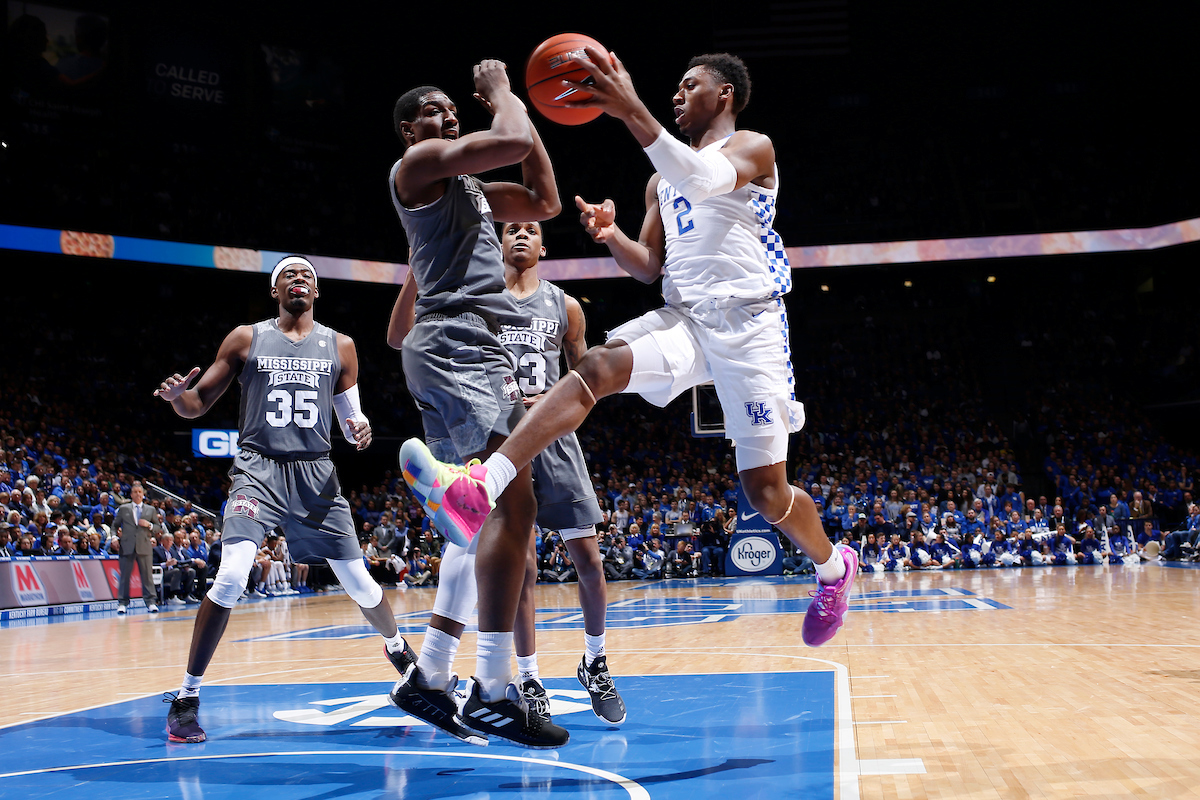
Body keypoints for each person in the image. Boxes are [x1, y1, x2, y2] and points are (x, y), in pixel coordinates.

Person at [399, 51, 856, 651]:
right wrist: (611, 235)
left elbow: (702, 179)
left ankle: (832, 567)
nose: (677, 95)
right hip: (687, 321)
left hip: (751, 330)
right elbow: (649, 268)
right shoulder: (659, 181)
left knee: (766, 493)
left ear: (724, 96)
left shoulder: (754, 147)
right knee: (596, 365)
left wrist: (626, 106)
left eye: (689, 86)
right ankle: (480, 486)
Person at [153, 254, 417, 744]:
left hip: (315, 473)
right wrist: (178, 400)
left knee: (361, 584)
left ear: (317, 292)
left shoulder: (341, 345)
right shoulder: (245, 338)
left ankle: (397, 646)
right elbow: (197, 403)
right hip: (258, 467)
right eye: (290, 276)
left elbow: (352, 422)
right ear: (276, 291)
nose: (300, 280)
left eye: (308, 277)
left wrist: (360, 432)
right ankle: (187, 696)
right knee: (231, 575)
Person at [383, 62, 568, 749]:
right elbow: (512, 142)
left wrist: (533, 111)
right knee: (506, 503)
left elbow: (545, 200)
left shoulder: (476, 192)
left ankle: (434, 676)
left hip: (476, 350)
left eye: (452, 107)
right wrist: (505, 96)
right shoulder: (420, 164)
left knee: (487, 511)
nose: (448, 114)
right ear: (411, 128)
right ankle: (491, 688)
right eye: (434, 109)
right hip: (455, 345)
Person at [112, 481, 161, 614]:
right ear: (131, 494)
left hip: (144, 546)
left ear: (143, 495)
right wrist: (114, 537)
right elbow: (114, 525)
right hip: (126, 546)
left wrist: (149, 525)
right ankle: (122, 603)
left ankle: (151, 602)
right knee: (125, 577)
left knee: (147, 576)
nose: (138, 494)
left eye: (140, 492)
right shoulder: (124, 509)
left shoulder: (150, 510)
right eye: (135, 492)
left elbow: (158, 528)